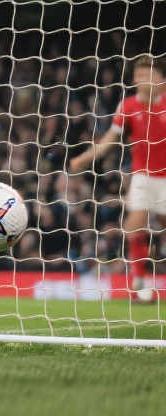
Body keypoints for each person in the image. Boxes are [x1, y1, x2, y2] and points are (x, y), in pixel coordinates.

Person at [71, 55, 166, 301]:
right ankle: (139, 283)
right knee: (134, 226)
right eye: (138, 75)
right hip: (143, 176)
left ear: (160, 78)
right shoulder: (128, 106)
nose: (140, 80)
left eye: (146, 75)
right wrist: (84, 159)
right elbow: (109, 141)